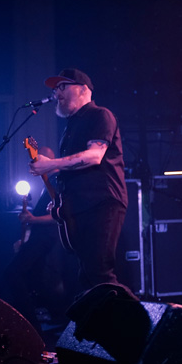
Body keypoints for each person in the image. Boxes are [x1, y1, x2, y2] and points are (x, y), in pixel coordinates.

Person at [28, 68, 129, 294]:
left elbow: (94, 156)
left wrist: (51, 164)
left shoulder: (100, 115)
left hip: (102, 202)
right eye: (55, 89)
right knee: (86, 275)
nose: (56, 93)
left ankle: (134, 315)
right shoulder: (71, 126)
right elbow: (73, 171)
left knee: (100, 272)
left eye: (62, 86)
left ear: (83, 89)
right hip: (80, 206)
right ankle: (99, 317)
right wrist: (61, 200)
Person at [4, 146, 70, 331]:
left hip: (46, 238)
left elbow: (59, 214)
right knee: (36, 279)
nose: (32, 166)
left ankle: (31, 324)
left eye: (35, 160)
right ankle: (50, 318)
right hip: (40, 238)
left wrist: (33, 219)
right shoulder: (48, 181)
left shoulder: (56, 181)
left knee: (13, 273)